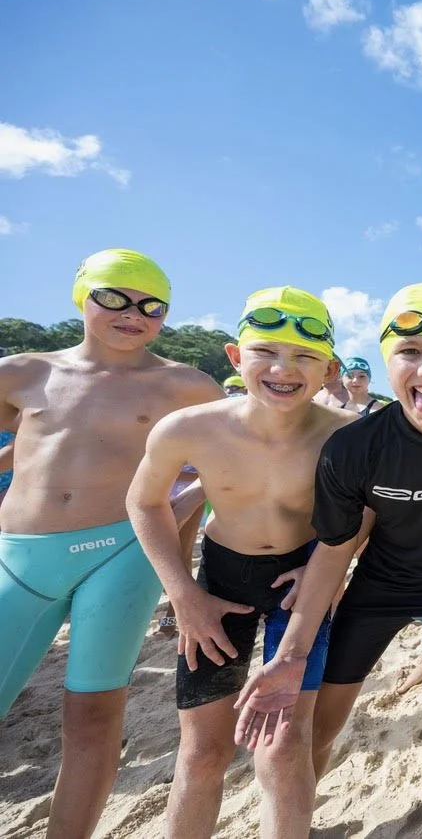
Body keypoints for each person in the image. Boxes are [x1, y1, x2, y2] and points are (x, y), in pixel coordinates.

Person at [234, 282, 422, 839]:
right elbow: (334, 551)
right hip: (376, 591)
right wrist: (292, 653)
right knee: (320, 727)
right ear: (387, 362)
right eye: (409, 352)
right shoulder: (354, 447)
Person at [0, 248, 223, 838]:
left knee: (93, 717)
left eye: (152, 305)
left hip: (122, 553)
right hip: (21, 554)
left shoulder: (185, 384)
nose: (133, 313)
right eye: (114, 297)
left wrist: (183, 501)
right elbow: (31, 440)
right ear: (83, 296)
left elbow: (239, 450)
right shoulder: (22, 372)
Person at [127, 286, 356, 838]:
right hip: (220, 580)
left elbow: (369, 515)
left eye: (304, 356)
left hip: (301, 583)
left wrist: (328, 570)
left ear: (328, 369)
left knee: (283, 746)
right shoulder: (189, 428)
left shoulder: (347, 436)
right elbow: (144, 502)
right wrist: (184, 595)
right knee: (203, 751)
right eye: (266, 352)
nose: (283, 369)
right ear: (235, 356)